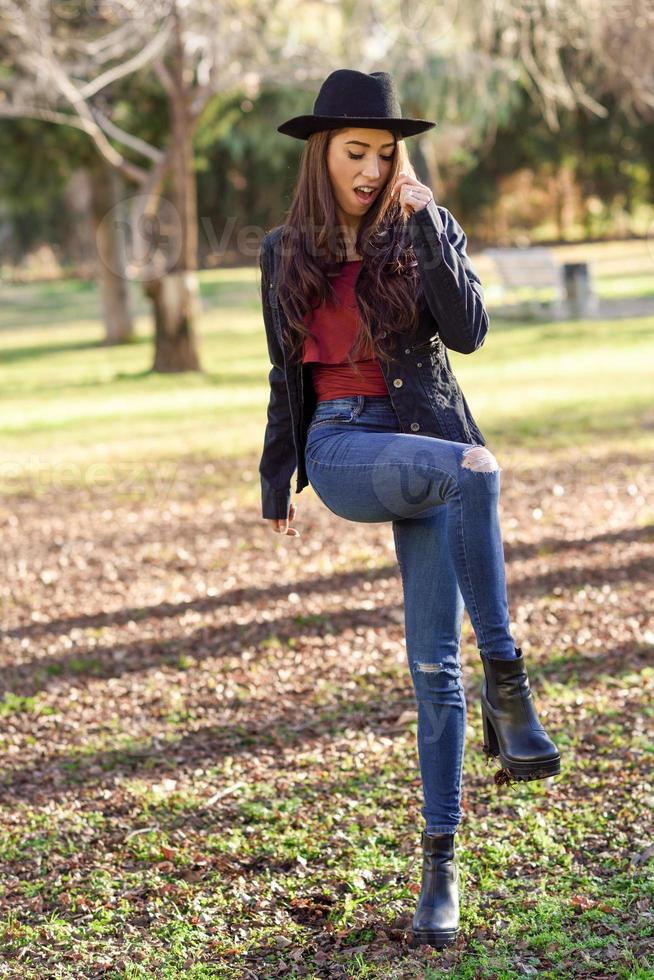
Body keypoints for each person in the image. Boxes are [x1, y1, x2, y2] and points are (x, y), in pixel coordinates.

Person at [258, 69, 561, 949]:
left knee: (433, 666)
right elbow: (284, 375)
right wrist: (277, 478)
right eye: (356, 153)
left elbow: (467, 332)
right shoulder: (285, 250)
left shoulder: (421, 227)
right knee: (479, 467)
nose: (371, 169)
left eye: (385, 155)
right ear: (322, 154)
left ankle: (441, 867)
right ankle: (509, 685)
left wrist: (429, 225)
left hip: (427, 444)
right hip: (347, 449)